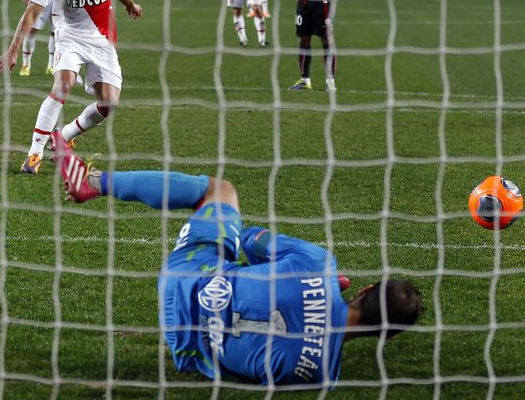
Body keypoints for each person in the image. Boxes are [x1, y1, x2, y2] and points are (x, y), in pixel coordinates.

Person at [50, 132, 424, 385]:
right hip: (187, 346)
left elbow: (247, 241)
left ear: (366, 288)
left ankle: (95, 182)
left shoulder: (318, 264)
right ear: (388, 336)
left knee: (219, 190)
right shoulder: (321, 375)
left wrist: (287, 273)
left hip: (185, 279)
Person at [0, 0, 143, 175]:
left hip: (102, 41)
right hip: (69, 38)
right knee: (63, 85)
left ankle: (65, 135)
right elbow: (30, 15)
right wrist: (12, 50)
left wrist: (130, 4)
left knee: (109, 103)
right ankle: (34, 153)